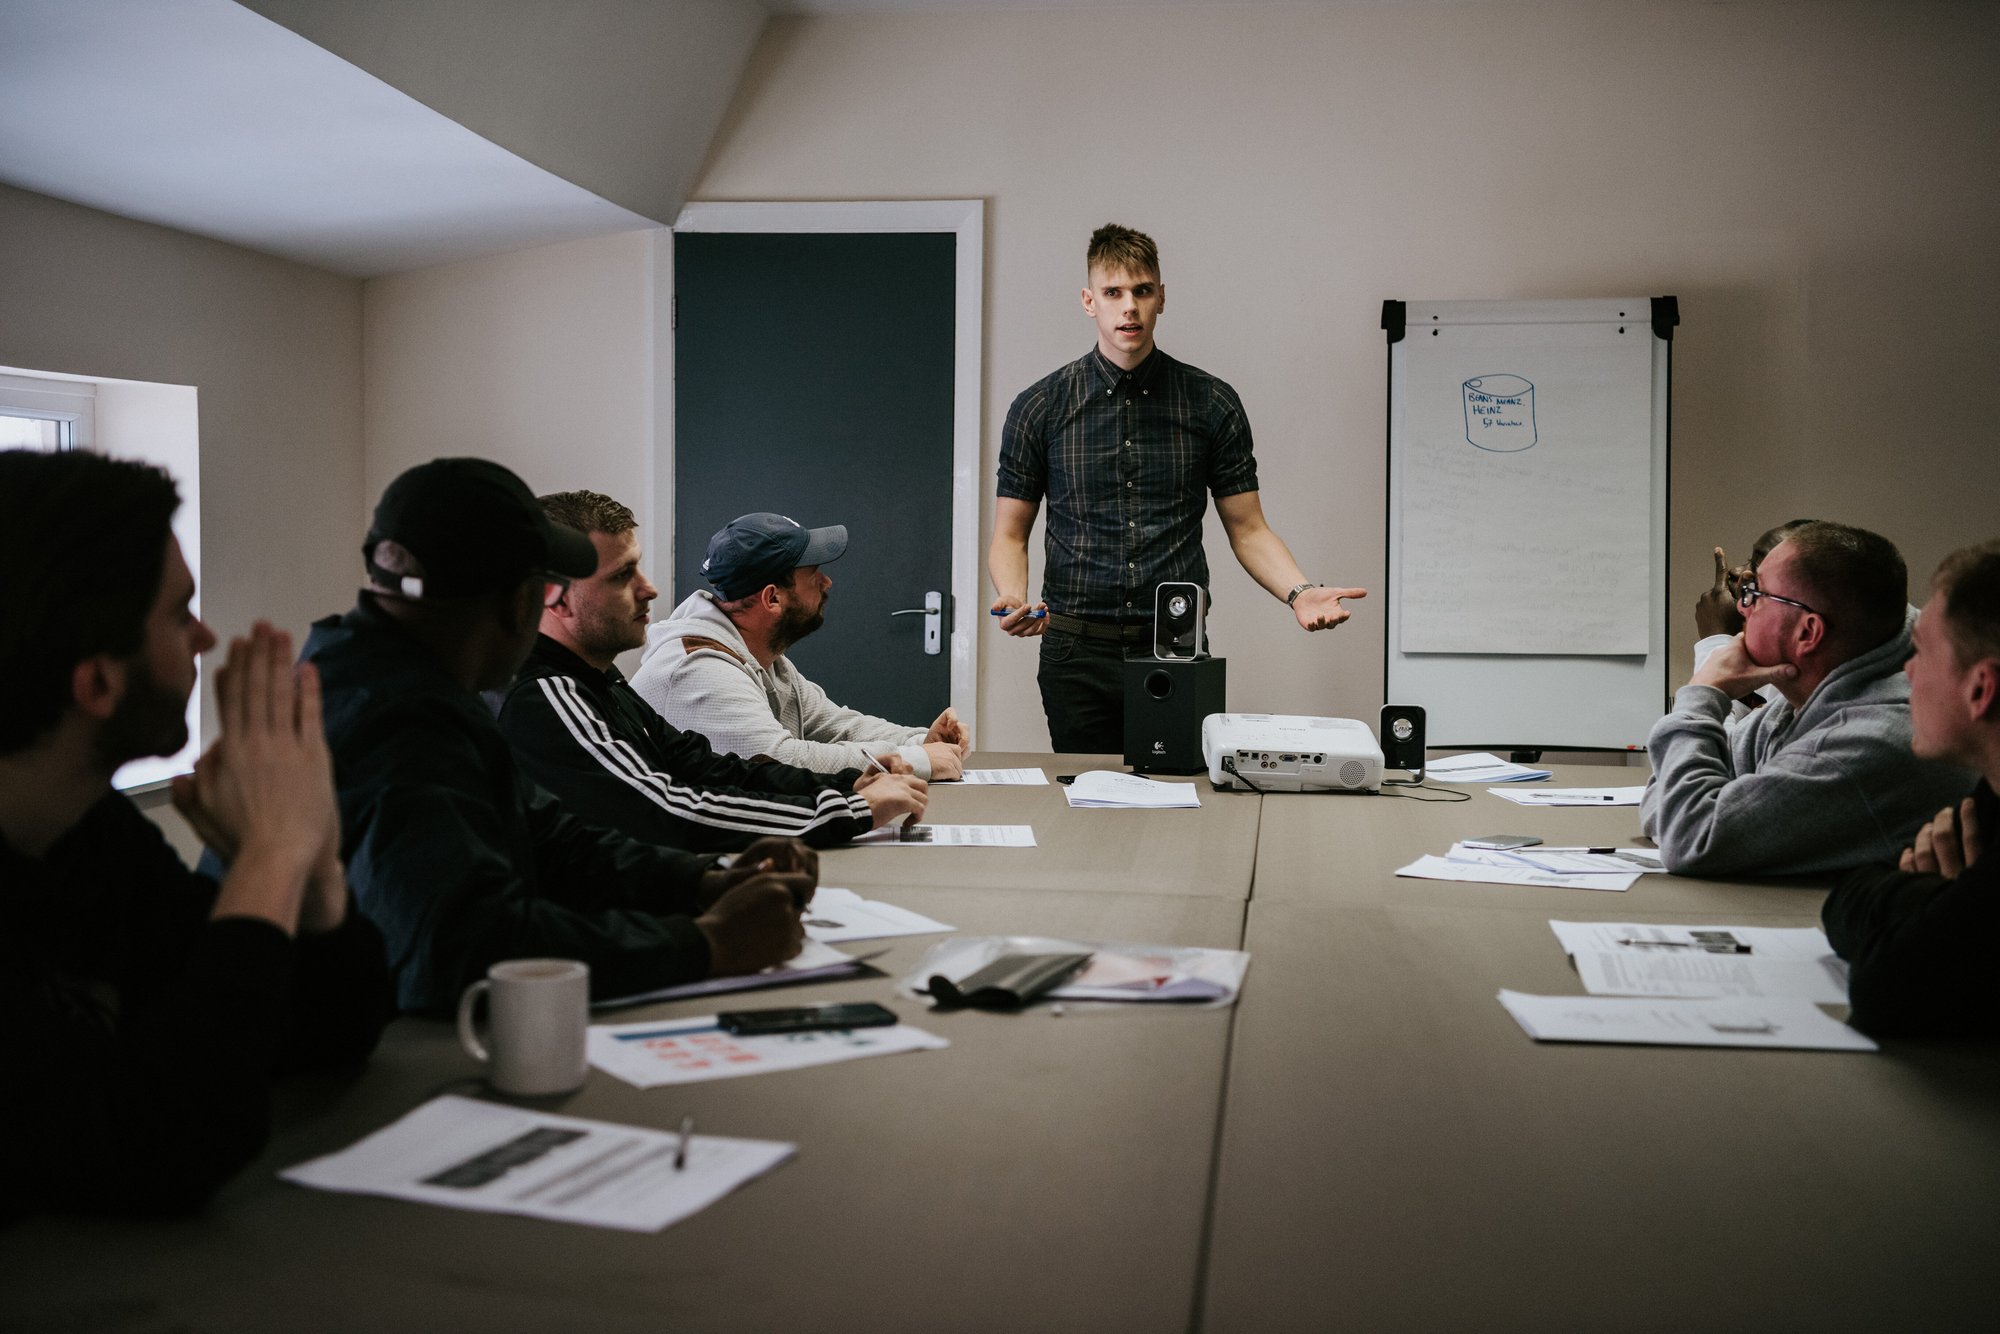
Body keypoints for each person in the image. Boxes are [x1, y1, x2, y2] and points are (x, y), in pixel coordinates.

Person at [0, 450, 391, 1220]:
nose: (207, 636)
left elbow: (320, 1030)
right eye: (180, 615)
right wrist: (272, 855)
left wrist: (311, 876)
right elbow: (157, 1145)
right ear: (99, 681)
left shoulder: (89, 831)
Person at [306, 458, 815, 1014]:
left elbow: (550, 837)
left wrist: (701, 881)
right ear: (518, 603)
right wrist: (706, 943)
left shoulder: (408, 676)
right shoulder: (393, 718)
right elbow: (471, 945)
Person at [989, 222, 1368, 753]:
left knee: (1182, 805)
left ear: (1161, 297)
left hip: (1175, 646)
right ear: (1088, 301)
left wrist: (1300, 593)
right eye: (1113, 293)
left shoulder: (1210, 402)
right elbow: (1010, 534)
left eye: (1142, 291)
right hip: (1075, 651)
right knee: (1089, 807)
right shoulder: (1040, 407)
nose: (1129, 308)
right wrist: (1011, 595)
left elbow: (1249, 528)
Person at [498, 490, 928, 850]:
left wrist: (849, 784)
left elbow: (705, 766)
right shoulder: (546, 694)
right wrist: (850, 809)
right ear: (555, 597)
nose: (649, 589)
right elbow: (667, 809)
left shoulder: (600, 679)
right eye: (623, 575)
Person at [1640, 521, 1974, 876]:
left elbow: (1689, 837)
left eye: (1757, 594)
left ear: (1808, 632)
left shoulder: (1870, 740)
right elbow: (1664, 796)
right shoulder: (1807, 693)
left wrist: (1705, 693)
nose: (1741, 608)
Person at [632, 512, 970, 780]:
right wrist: (914, 761)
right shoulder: (698, 668)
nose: (827, 582)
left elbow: (834, 725)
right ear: (773, 597)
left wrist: (920, 740)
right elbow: (777, 761)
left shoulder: (760, 657)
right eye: (814, 573)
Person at [1823, 540, 2000, 1036]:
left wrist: (1928, 900)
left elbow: (1886, 988)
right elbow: (1848, 894)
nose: (1907, 670)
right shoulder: (1989, 799)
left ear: (1981, 688)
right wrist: (1935, 901)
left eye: (1921, 651)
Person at [1691, 518, 1817, 720]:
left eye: (1758, 565)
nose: (1737, 572)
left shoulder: (1809, 682)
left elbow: (1708, 748)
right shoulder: (1766, 657)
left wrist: (1714, 641)